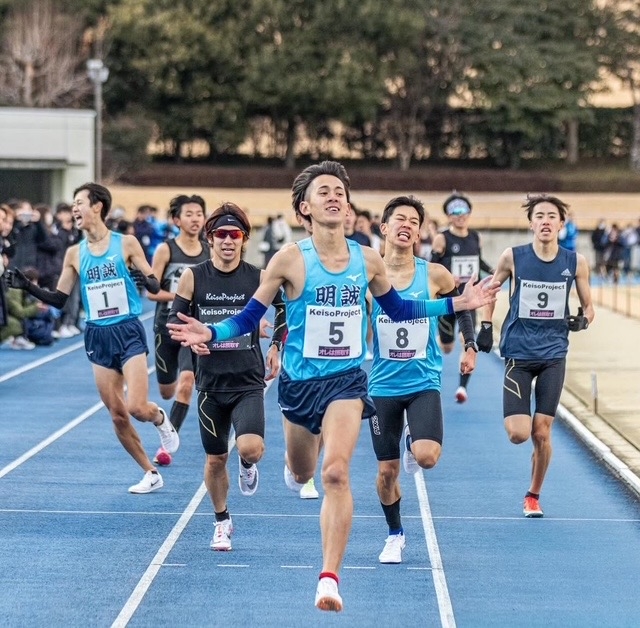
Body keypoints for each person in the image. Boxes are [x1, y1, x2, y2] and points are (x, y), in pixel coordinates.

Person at [167, 161, 499, 612]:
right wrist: (212, 332)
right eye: (323, 191)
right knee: (304, 471)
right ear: (305, 207)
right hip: (300, 385)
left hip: (347, 382)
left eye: (339, 191)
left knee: (336, 474)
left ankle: (329, 578)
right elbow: (249, 316)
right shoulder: (289, 259)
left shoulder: (367, 260)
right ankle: (294, 469)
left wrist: (458, 302)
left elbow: (400, 310)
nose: (334, 197)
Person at [6, 182, 179, 493]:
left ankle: (159, 418)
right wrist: (27, 286)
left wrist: (144, 278)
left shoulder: (126, 243)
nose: (74, 209)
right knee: (117, 415)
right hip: (98, 335)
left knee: (137, 407)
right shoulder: (75, 253)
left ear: (97, 206)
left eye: (79, 203)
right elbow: (60, 299)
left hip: (127, 330)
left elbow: (154, 286)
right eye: (73, 204)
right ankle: (150, 472)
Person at [168, 201, 286, 552]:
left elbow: (284, 309)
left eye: (235, 234)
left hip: (248, 380)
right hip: (210, 384)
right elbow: (175, 321)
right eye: (221, 234)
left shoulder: (258, 277)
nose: (228, 240)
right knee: (215, 459)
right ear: (210, 238)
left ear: (244, 239)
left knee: (251, 447)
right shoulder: (193, 277)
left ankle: (247, 465)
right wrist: (192, 342)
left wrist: (276, 346)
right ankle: (222, 521)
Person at [368, 195, 478, 564]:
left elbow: (461, 306)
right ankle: (395, 534)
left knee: (426, 457)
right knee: (387, 473)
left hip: (422, 382)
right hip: (382, 386)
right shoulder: (367, 275)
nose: (407, 225)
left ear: (419, 233)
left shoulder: (434, 274)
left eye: (414, 222)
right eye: (400, 219)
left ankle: (414, 438)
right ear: (384, 228)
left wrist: (469, 344)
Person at [475, 194, 594, 518]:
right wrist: (485, 325)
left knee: (542, 431)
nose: (545, 221)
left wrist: (582, 320)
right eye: (539, 216)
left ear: (561, 224)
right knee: (519, 433)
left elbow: (589, 307)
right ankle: (528, 463)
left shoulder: (576, 262)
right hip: (518, 352)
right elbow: (490, 290)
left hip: (554, 353)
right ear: (531, 224)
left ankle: (533, 495)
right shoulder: (513, 257)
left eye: (551, 216)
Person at [147, 194, 210, 465]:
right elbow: (151, 292)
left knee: (186, 385)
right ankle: (165, 419)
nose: (195, 219)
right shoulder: (166, 250)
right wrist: (181, 296)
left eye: (199, 214)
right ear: (176, 220)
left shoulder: (209, 251)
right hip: (166, 326)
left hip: (192, 329)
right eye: (189, 214)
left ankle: (166, 446)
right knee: (166, 391)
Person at [431, 192, 494, 404]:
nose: (460, 215)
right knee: (447, 346)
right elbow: (432, 267)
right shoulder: (442, 239)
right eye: (455, 212)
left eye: (463, 211)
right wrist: (448, 278)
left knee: (466, 340)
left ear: (469, 213)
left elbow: (478, 260)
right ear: (449, 216)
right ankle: (436, 343)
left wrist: (493, 271)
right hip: (449, 297)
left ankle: (462, 387)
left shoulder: (475, 237)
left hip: (469, 298)